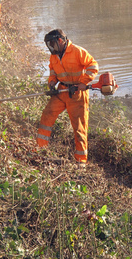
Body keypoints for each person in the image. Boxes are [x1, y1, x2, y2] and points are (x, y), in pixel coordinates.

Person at [36, 29, 99, 166]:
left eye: (52, 44)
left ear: (60, 40)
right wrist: (52, 83)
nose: (51, 47)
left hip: (77, 93)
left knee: (79, 127)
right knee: (47, 115)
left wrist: (83, 82)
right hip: (61, 92)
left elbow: (93, 66)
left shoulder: (77, 51)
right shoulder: (54, 56)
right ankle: (41, 149)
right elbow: (53, 71)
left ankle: (80, 162)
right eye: (49, 45)